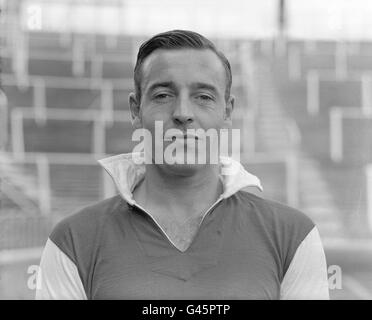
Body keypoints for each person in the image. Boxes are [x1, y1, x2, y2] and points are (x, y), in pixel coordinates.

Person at [35, 30, 329, 300]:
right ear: (136, 110)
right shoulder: (72, 242)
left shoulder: (293, 236)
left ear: (227, 112)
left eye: (203, 97)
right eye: (163, 95)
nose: (183, 113)